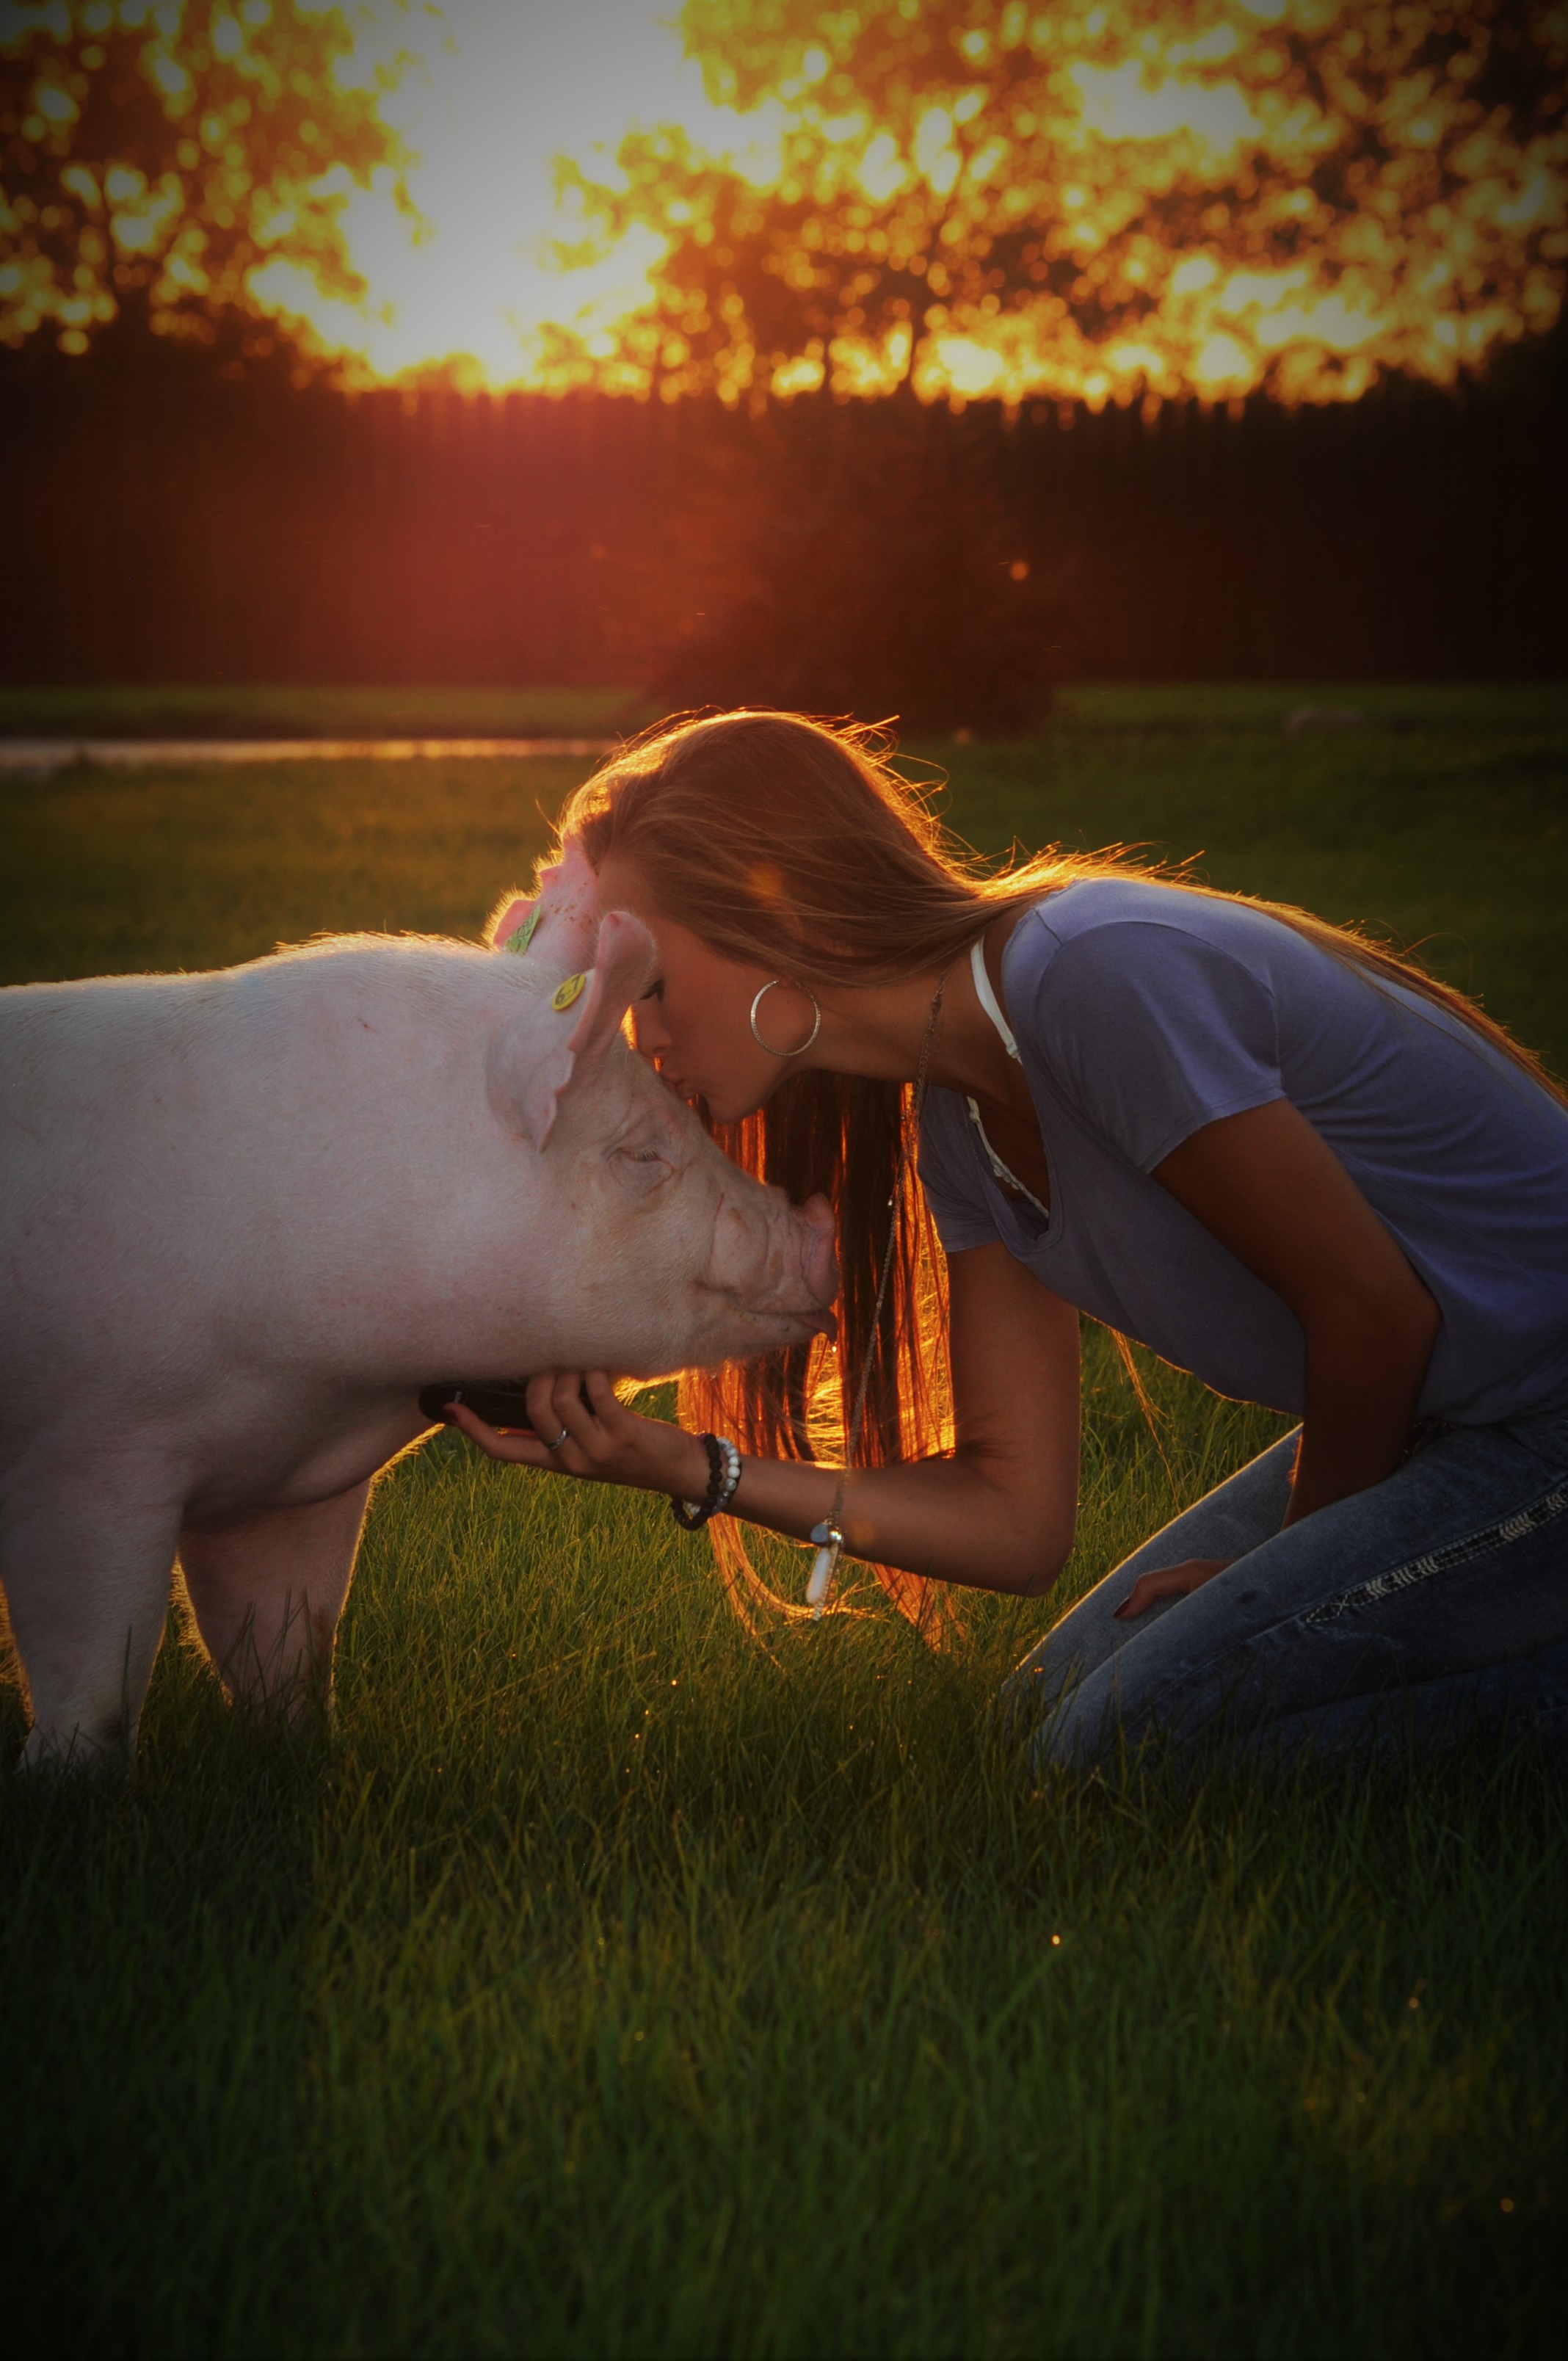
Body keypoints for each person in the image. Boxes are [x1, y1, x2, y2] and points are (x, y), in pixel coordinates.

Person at [448, 711, 1568, 1765]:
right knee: (1040, 1727)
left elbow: (1377, 1312)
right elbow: (1016, 1522)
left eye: (650, 982)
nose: (641, 1035)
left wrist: (1278, 1579)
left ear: (774, 923)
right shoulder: (960, 1113)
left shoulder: (1091, 974)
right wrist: (676, 1465)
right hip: (1447, 1413)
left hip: (1539, 1410)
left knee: (1133, 1745)